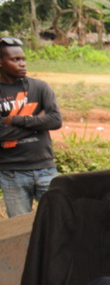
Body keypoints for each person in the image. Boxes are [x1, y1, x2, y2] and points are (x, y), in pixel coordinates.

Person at [0, 37, 62, 216]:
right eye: (15, 59)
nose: (22, 64)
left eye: (23, 59)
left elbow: (55, 121)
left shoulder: (40, 87)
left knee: (56, 221)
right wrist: (38, 122)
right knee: (20, 226)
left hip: (45, 168)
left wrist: (16, 120)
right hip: (11, 172)